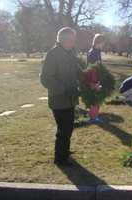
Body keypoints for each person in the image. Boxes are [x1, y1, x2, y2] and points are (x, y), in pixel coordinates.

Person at [40, 27, 79, 166]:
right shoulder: (53, 54)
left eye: (74, 40)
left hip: (70, 100)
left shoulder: (70, 53)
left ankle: (64, 151)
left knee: (68, 128)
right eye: (72, 40)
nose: (74, 42)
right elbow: (45, 78)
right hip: (59, 101)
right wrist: (63, 89)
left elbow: (76, 72)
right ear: (63, 40)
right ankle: (60, 159)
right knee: (64, 130)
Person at [85, 34, 105, 122]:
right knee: (95, 98)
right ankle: (93, 117)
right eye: (102, 43)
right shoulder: (93, 52)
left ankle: (94, 115)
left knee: (97, 98)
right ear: (98, 42)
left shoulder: (97, 51)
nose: (103, 45)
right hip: (93, 79)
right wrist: (95, 82)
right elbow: (92, 68)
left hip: (97, 78)